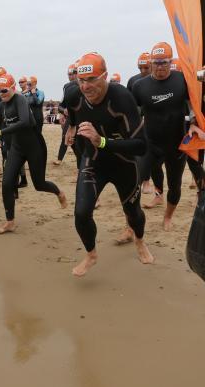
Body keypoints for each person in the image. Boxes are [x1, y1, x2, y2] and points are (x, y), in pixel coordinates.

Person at [64, 52, 153, 277]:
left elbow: (140, 146)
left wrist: (101, 140)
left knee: (132, 212)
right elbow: (73, 112)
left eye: (92, 79)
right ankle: (91, 254)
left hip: (124, 163)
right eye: (81, 80)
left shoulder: (122, 98)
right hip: (93, 161)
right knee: (81, 213)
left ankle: (140, 241)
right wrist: (72, 128)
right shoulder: (74, 94)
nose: (86, 86)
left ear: (104, 76)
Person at [0, 75, 66, 233]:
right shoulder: (0, 106)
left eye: (5, 90)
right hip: (17, 147)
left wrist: (0, 132)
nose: (2, 93)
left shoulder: (20, 99)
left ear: (13, 88)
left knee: (39, 184)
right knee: (7, 183)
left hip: (34, 146)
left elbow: (24, 122)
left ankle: (58, 192)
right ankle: (10, 222)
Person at [132, 42, 191, 231]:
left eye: (164, 62)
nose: (159, 67)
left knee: (175, 186)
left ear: (170, 61)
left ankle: (167, 217)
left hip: (176, 144)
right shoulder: (140, 86)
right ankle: (131, 223)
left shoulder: (183, 80)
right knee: (134, 181)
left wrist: (196, 123)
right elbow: (132, 115)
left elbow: (196, 106)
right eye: (155, 63)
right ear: (150, 63)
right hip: (150, 143)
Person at [127, 52, 155, 194]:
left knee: (149, 152)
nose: (143, 71)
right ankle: (136, 180)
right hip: (136, 123)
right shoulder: (134, 81)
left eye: (146, 68)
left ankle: (146, 182)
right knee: (137, 151)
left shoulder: (158, 81)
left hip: (153, 122)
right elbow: (128, 103)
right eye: (140, 68)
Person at [53, 63, 79, 166]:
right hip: (71, 117)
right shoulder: (67, 86)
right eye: (69, 74)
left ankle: (81, 160)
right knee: (66, 137)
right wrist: (63, 111)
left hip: (82, 117)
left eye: (73, 73)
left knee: (79, 141)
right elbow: (61, 105)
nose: (71, 76)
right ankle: (60, 159)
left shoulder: (85, 85)